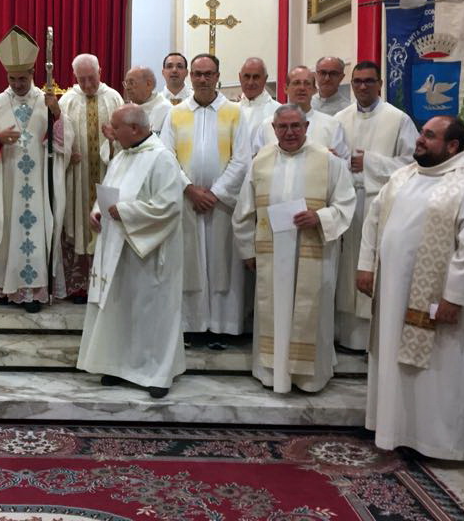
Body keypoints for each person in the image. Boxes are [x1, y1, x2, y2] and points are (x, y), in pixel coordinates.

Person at [356, 116, 464, 460]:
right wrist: (366, 265)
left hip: (437, 304)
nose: (419, 140)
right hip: (390, 294)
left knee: (437, 373)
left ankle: (436, 442)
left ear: (452, 146)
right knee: (391, 360)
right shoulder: (403, 176)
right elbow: (373, 221)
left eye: (429, 136)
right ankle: (393, 429)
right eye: (421, 133)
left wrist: (454, 297)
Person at [233, 104, 355, 393]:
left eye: (295, 126)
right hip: (271, 255)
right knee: (272, 308)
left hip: (314, 253)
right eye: (283, 127)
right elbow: (243, 211)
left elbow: (347, 203)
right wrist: (248, 249)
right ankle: (271, 372)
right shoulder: (260, 161)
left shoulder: (329, 162)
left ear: (306, 127)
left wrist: (320, 217)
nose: (289, 132)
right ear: (273, 129)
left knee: (311, 310)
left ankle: (309, 377)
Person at [77, 105, 186, 398]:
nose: (111, 133)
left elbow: (169, 207)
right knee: (120, 309)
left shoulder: (161, 158)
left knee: (150, 312)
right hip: (116, 247)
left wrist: (125, 212)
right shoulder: (123, 155)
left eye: (116, 128)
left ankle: (156, 373)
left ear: (135, 129)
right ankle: (117, 366)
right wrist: (97, 211)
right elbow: (111, 192)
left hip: (147, 252)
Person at [0, 26, 72, 313]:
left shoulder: (46, 100)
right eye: (12, 79)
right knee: (6, 231)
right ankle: (7, 287)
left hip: (37, 182)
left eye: (22, 78)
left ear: (32, 74)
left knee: (36, 232)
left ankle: (32, 291)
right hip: (5, 181)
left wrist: (57, 115)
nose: (17, 84)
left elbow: (64, 140)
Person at [160, 53, 251, 338]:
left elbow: (242, 159)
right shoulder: (175, 114)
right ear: (190, 76)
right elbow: (166, 158)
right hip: (188, 203)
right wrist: (189, 189)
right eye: (197, 74)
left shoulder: (236, 113)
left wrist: (216, 193)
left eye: (208, 74)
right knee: (191, 264)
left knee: (224, 265)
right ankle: (193, 325)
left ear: (218, 76)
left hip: (222, 206)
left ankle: (225, 327)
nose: (202, 79)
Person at [334, 62, 419, 350]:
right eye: (357, 81)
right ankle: (347, 336)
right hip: (348, 203)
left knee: (375, 264)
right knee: (347, 269)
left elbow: (413, 164)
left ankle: (376, 337)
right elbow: (333, 159)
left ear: (380, 84)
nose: (362, 86)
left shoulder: (398, 119)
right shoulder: (340, 118)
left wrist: (369, 162)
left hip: (381, 203)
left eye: (369, 81)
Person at [58, 53, 123, 302]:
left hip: (107, 175)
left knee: (106, 223)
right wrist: (66, 152)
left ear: (100, 73)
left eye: (91, 79)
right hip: (77, 176)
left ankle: (106, 281)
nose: (87, 85)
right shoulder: (68, 101)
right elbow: (57, 138)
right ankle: (79, 284)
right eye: (81, 79)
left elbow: (125, 136)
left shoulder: (114, 97)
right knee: (77, 224)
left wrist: (113, 139)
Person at [253, 66, 349, 158]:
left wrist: (336, 160)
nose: (301, 88)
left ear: (314, 90)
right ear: (286, 88)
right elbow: (257, 163)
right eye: (296, 83)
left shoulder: (331, 125)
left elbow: (343, 165)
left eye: (307, 83)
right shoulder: (267, 126)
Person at [235, 57, 280, 138]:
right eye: (247, 76)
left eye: (256, 77)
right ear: (240, 77)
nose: (250, 82)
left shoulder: (278, 112)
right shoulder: (231, 111)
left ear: (265, 79)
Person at [122, 66, 171, 134]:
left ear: (148, 84)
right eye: (126, 83)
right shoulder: (124, 110)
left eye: (131, 83)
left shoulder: (166, 109)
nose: (127, 88)